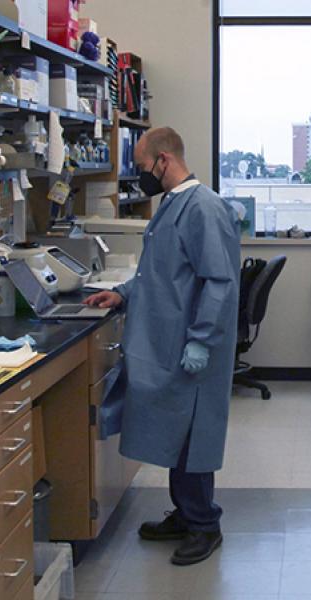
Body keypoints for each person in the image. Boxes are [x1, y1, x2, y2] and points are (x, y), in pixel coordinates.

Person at [84, 127, 241, 566]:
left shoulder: (204, 209)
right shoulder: (171, 206)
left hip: (190, 345)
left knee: (191, 437)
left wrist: (202, 340)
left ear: (164, 159)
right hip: (166, 339)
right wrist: (123, 293)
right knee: (175, 433)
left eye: (141, 166)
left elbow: (220, 283)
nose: (140, 176)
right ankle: (186, 515)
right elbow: (161, 274)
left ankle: (205, 525)